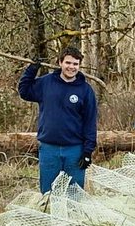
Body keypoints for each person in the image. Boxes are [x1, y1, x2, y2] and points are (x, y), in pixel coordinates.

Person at [18, 46, 99, 193]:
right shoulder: (45, 83)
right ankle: (49, 214)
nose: (71, 67)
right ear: (60, 63)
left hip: (75, 150)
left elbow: (90, 123)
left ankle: (73, 216)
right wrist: (32, 69)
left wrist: (87, 152)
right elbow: (24, 91)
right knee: (48, 193)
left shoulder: (86, 90)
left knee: (74, 194)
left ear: (79, 66)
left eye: (75, 64)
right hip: (49, 148)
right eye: (68, 63)